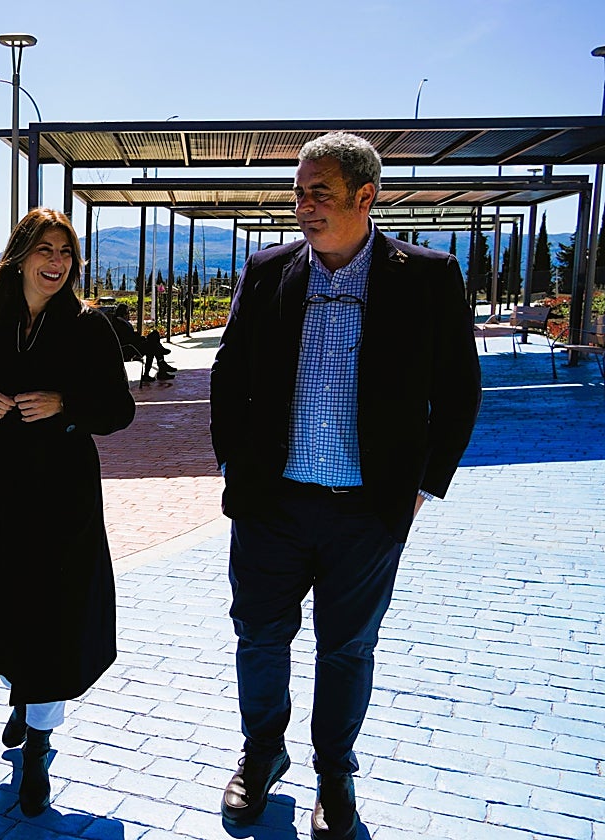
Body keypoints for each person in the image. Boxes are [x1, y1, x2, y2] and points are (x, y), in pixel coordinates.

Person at [209, 133, 481, 839]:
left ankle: (335, 775)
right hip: (272, 505)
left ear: (366, 196)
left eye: (319, 193)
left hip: (367, 512)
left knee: (347, 648)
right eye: (299, 193)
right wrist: (233, 465)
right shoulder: (267, 270)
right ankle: (263, 754)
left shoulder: (427, 276)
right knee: (258, 637)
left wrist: (423, 486)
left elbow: (459, 392)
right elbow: (229, 374)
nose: (304, 206)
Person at [0, 207, 135, 817]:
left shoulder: (89, 327)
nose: (56, 262)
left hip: (62, 502)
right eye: (45, 250)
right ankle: (23, 698)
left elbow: (119, 410)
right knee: (5, 613)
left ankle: (38, 750)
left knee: (53, 622)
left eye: (66, 251)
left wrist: (66, 405)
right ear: (20, 256)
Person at [108, 302, 175, 382]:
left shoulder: (119, 321)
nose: (129, 314)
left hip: (133, 345)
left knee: (154, 337)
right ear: (124, 313)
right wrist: (141, 338)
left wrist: (141, 338)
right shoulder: (120, 323)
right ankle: (161, 365)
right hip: (130, 348)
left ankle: (160, 366)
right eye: (128, 312)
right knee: (152, 346)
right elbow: (128, 338)